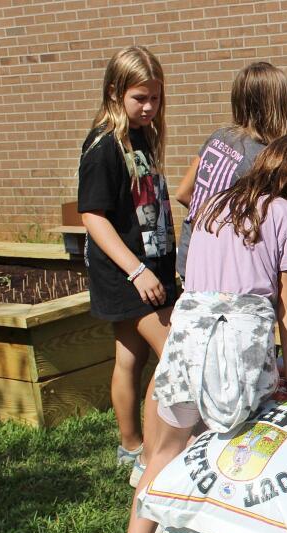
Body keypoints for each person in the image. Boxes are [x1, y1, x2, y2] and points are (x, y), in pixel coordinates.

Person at [87, 134, 287, 533]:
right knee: (243, 447)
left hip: (186, 346)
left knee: (163, 454)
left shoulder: (212, 206)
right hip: (242, 358)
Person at [175, 61, 287, 338]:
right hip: (236, 282)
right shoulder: (266, 160)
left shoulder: (219, 136)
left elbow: (183, 192)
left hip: (192, 264)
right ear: (278, 105)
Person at [77, 45, 177, 486]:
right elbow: (93, 216)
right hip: (127, 273)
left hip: (151, 267)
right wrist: (137, 271)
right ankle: (150, 451)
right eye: (140, 98)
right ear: (116, 92)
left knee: (130, 356)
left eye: (155, 97)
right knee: (174, 354)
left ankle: (131, 445)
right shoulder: (103, 147)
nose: (149, 106)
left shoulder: (142, 135)